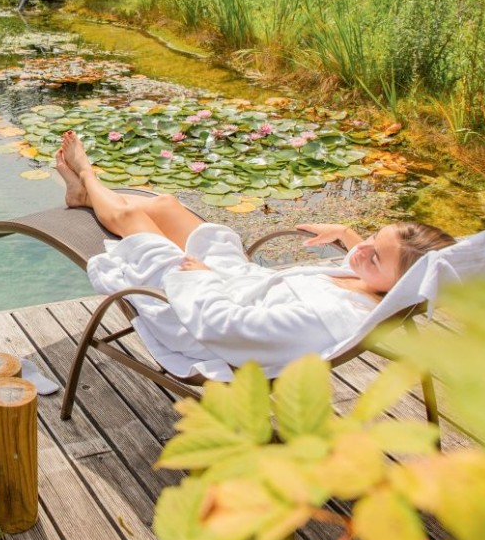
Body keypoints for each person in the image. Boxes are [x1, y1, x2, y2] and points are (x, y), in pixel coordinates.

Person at [52, 131, 454, 380]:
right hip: (234, 283)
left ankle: (87, 175)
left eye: (374, 258)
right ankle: (83, 196)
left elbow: (228, 328)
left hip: (194, 314)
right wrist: (351, 237)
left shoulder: (323, 318)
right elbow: (374, 257)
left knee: (133, 215)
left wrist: (202, 278)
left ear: (400, 288)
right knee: (167, 206)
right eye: (372, 238)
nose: (362, 250)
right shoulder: (374, 284)